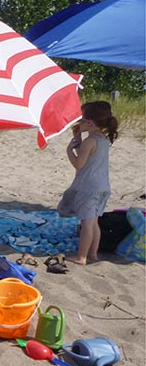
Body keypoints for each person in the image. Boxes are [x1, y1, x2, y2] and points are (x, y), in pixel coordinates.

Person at [57, 101, 119, 266]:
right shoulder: (103, 139)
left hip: (88, 188)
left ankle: (82, 257)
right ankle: (93, 254)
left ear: (90, 122)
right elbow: (87, 158)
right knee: (94, 222)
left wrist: (69, 150)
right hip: (102, 187)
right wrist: (77, 138)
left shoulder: (90, 141)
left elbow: (79, 164)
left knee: (86, 223)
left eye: (81, 119)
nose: (79, 122)